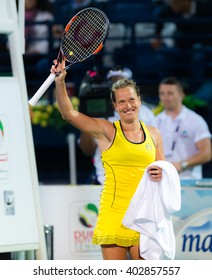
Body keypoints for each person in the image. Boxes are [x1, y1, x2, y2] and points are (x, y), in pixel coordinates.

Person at [51, 58, 165, 260]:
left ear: (139, 99)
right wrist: (60, 82)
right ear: (114, 105)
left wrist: (161, 173)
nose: (127, 105)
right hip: (114, 215)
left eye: (131, 99)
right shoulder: (107, 131)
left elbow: (164, 171)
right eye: (121, 101)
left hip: (144, 217)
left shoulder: (154, 134)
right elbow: (68, 114)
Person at [78, 67, 157, 185]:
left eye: (122, 81)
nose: (117, 85)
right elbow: (88, 150)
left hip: (140, 181)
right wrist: (88, 119)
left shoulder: (145, 113)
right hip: (105, 181)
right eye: (112, 81)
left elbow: (155, 150)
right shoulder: (97, 111)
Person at [155, 76, 211, 179]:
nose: (165, 98)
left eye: (170, 93)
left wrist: (182, 164)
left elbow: (207, 153)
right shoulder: (155, 121)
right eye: (162, 93)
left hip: (189, 182)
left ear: (181, 95)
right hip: (163, 181)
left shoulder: (195, 121)